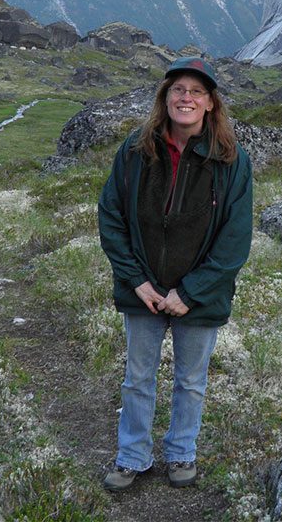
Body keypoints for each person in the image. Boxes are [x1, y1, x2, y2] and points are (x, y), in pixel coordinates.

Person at [98, 56, 254, 492]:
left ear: (210, 104)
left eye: (196, 91)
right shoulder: (134, 151)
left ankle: (181, 453)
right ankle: (132, 456)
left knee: (190, 380)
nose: (186, 97)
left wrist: (191, 291)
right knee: (138, 379)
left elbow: (235, 239)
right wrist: (137, 281)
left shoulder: (231, 160)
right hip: (143, 289)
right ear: (165, 98)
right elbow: (110, 217)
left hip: (199, 296)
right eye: (178, 90)